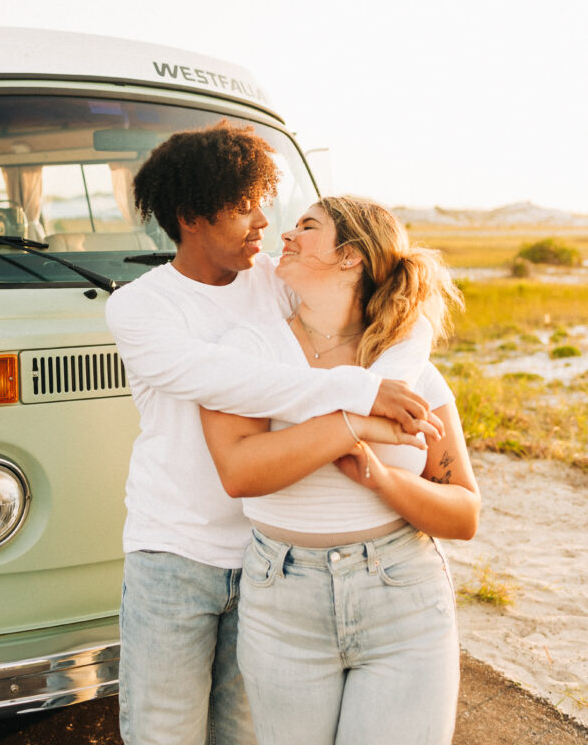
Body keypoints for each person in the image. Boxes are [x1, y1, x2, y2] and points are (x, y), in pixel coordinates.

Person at [105, 122, 444, 745]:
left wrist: (388, 381)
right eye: (242, 208)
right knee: (164, 733)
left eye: (263, 201)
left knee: (246, 737)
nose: (263, 221)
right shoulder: (140, 307)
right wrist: (361, 403)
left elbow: (401, 316)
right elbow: (237, 381)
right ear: (191, 216)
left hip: (272, 560)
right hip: (176, 551)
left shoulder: (273, 281)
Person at [201, 196, 480, 745]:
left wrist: (384, 479)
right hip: (283, 600)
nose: (287, 235)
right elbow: (239, 472)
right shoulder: (248, 350)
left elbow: (464, 513)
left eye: (307, 227)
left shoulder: (409, 368)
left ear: (351, 256)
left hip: (402, 593)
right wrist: (353, 424)